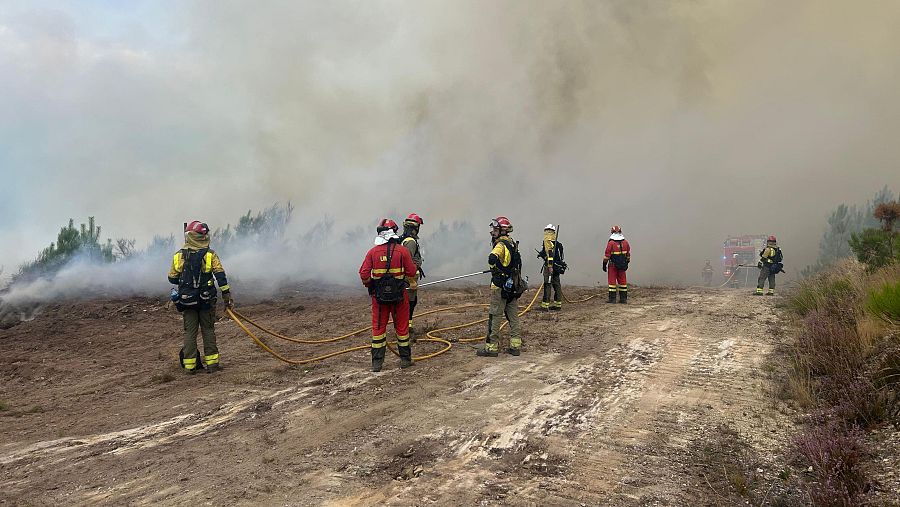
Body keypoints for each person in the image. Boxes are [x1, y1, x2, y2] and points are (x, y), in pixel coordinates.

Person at [168, 220, 232, 374]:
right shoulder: (210, 254)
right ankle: (212, 365)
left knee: (190, 332)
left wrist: (186, 280)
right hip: (206, 300)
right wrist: (226, 295)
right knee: (208, 330)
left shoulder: (179, 256)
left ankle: (189, 367)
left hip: (187, 300)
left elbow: (172, 278)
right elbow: (220, 276)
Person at [359, 218, 418, 371]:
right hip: (399, 298)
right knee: (402, 329)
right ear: (394, 232)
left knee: (378, 330)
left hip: (379, 299)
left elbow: (364, 274)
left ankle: (377, 364)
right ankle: (405, 360)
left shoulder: (372, 252)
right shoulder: (403, 251)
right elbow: (412, 271)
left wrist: (370, 285)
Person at [478, 216, 523, 357]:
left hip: (500, 286)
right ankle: (515, 347)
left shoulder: (500, 245)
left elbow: (492, 258)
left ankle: (491, 348)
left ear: (502, 230)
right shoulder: (511, 243)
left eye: (495, 229)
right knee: (513, 317)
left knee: (495, 316)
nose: (493, 232)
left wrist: (495, 270)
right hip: (512, 286)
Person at [400, 213, 425, 340]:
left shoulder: (404, 240)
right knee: (409, 303)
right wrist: (411, 280)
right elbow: (408, 262)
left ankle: (406, 326)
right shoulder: (410, 242)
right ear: (415, 228)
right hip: (408, 280)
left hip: (407, 279)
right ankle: (406, 329)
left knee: (410, 303)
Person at [538, 224, 564, 311]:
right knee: (557, 285)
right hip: (557, 267)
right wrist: (542, 254)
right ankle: (558, 305)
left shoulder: (547, 242)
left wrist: (549, 266)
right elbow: (560, 257)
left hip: (550, 268)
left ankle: (545, 306)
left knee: (547, 285)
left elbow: (550, 255)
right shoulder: (558, 244)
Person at [602, 225, 631, 304]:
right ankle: (623, 299)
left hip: (613, 265)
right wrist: (626, 263)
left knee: (612, 282)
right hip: (622, 265)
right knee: (623, 282)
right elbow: (628, 255)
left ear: (612, 232)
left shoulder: (611, 243)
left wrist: (604, 265)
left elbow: (606, 256)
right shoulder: (626, 242)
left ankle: (612, 300)